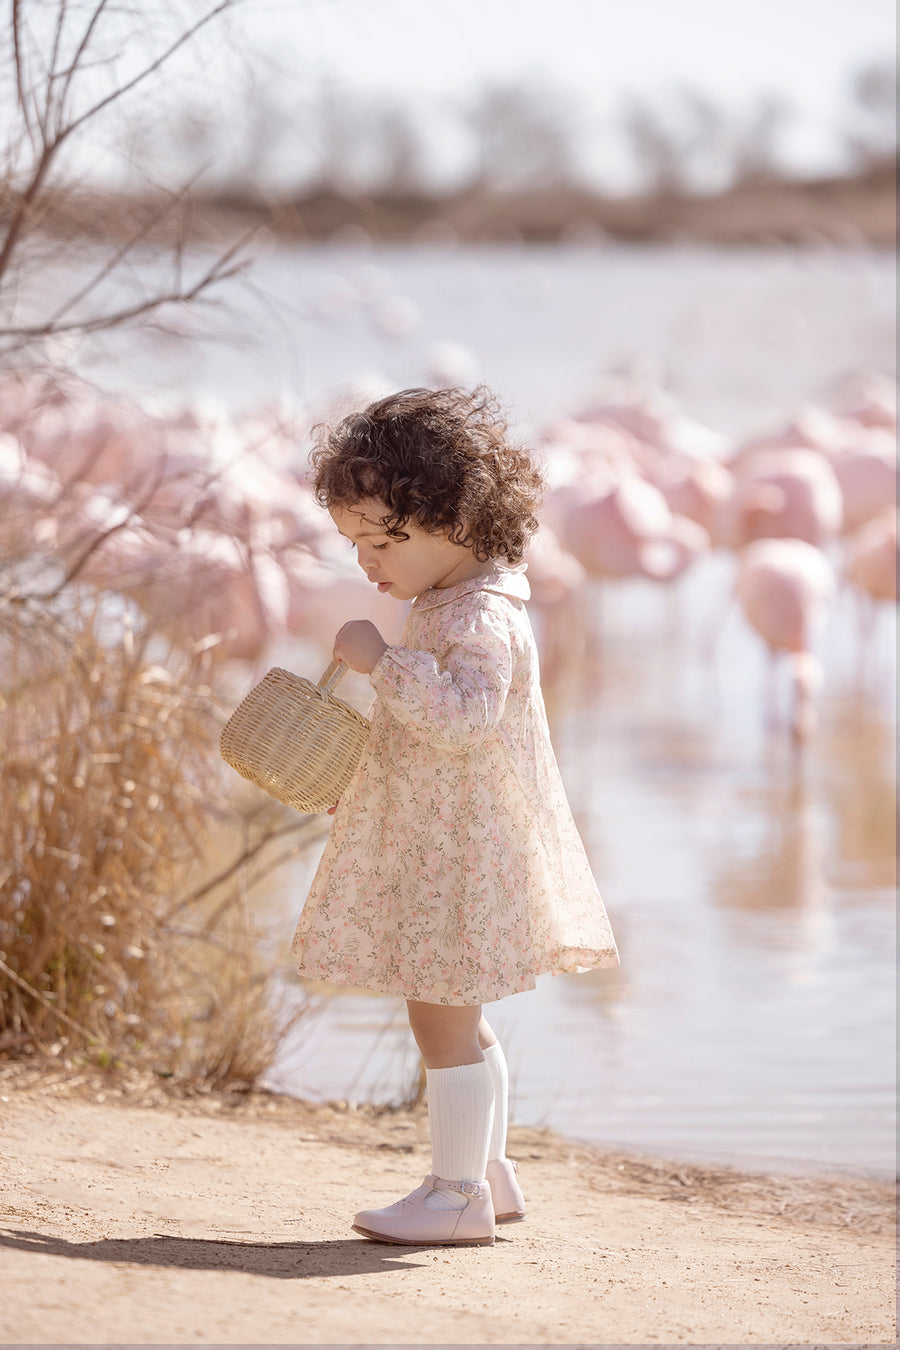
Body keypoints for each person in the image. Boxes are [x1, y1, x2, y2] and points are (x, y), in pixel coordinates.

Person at [291, 385, 619, 1247]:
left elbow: (462, 717)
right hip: (454, 839)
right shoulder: (454, 599)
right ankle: (491, 1172)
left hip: (465, 853)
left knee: (438, 1015)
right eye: (355, 543)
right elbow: (437, 736)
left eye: (382, 540)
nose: (367, 562)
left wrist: (380, 662)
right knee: (457, 1012)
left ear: (458, 519)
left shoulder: (479, 616)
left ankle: (454, 1192)